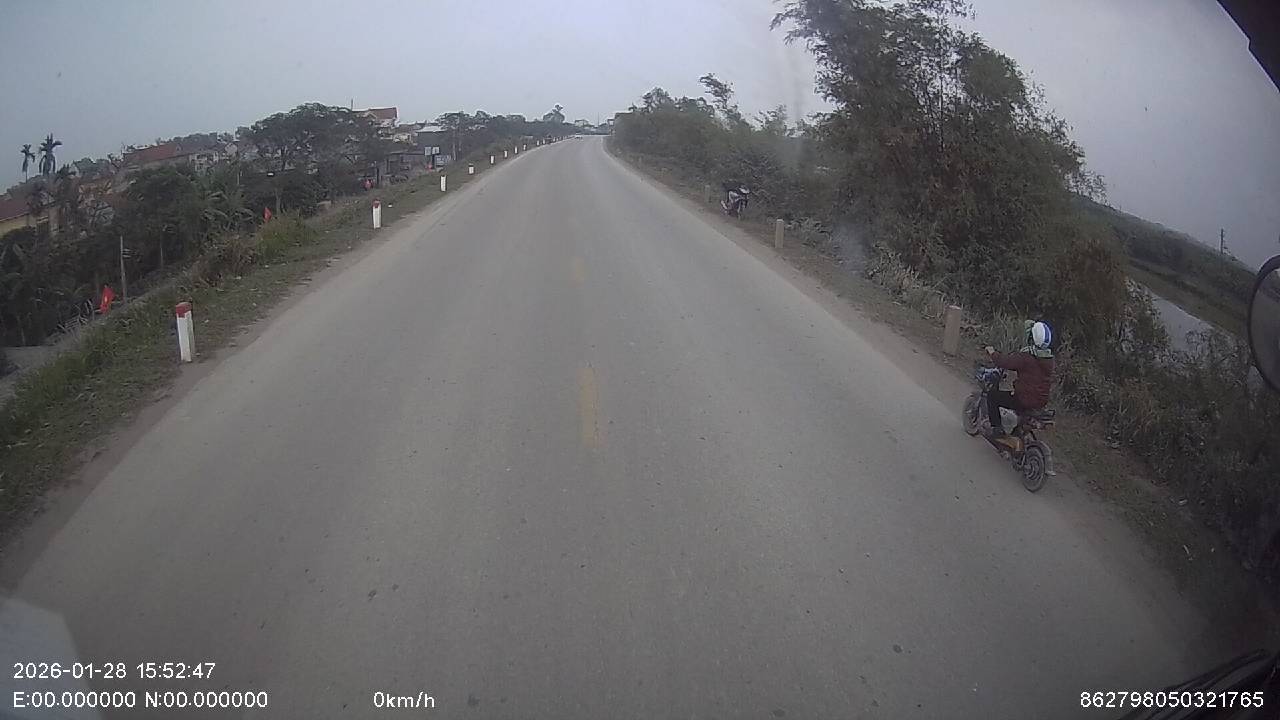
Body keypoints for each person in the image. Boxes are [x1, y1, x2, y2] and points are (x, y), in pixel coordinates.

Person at [984, 320, 1054, 436]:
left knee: (992, 396)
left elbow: (1005, 362)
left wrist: (993, 353)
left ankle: (997, 429)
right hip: (1040, 402)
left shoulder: (1026, 357)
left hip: (1024, 399)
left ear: (1032, 338)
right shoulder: (1049, 359)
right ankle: (1015, 432)